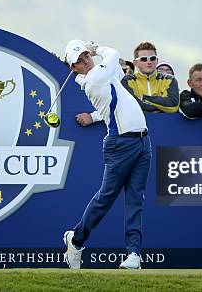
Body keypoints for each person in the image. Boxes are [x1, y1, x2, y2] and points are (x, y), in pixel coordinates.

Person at [62, 40, 151, 270]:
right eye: (79, 61)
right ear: (74, 69)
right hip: (120, 144)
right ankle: (76, 240)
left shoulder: (103, 76)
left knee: (135, 199)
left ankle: (133, 254)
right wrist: (96, 48)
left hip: (143, 141)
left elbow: (118, 78)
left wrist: (93, 116)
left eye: (85, 56)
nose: (85, 61)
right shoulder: (92, 79)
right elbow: (114, 54)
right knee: (106, 198)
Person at [121, 41, 179, 113]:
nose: (149, 62)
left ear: (157, 60)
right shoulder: (126, 81)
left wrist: (144, 98)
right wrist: (160, 107)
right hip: (138, 124)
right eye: (144, 59)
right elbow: (131, 106)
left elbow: (173, 106)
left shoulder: (169, 79)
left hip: (164, 123)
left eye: (152, 58)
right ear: (135, 63)